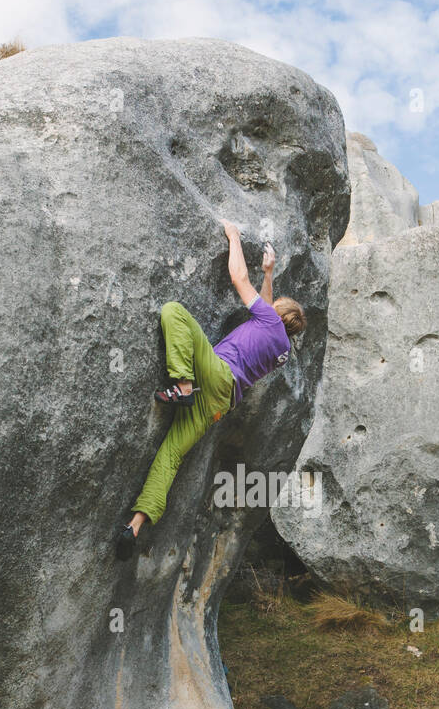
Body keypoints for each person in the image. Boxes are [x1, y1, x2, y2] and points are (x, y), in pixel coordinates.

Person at [116, 221, 305, 561]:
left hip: (215, 375)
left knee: (173, 311)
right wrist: (269, 273)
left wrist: (233, 236)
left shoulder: (269, 320)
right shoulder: (282, 349)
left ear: (279, 314)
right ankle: (135, 524)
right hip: (220, 403)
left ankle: (183, 385)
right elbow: (264, 303)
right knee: (172, 454)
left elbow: (238, 279)